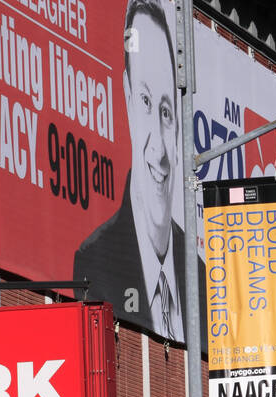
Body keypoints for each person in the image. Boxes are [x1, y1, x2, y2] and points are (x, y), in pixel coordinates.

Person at [72, 0, 206, 349]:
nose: (159, 150)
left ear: (178, 123)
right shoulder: (94, 262)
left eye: (166, 111)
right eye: (146, 102)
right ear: (128, 97)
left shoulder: (202, 282)